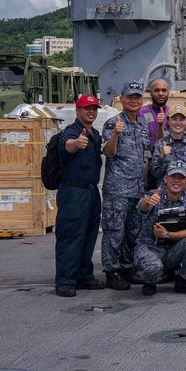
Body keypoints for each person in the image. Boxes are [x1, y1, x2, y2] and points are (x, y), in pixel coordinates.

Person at [54, 94, 106, 297]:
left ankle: (84, 275)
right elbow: (68, 145)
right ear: (77, 110)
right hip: (74, 192)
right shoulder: (72, 131)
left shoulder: (95, 133)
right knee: (70, 235)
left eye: (94, 108)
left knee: (88, 235)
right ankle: (65, 279)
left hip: (92, 191)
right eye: (87, 108)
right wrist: (77, 143)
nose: (91, 112)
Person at [101, 81, 151, 290]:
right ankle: (112, 271)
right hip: (117, 189)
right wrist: (115, 135)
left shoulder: (142, 125)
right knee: (114, 231)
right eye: (129, 97)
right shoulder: (114, 123)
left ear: (142, 100)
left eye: (137, 97)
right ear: (121, 98)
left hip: (137, 189)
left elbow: (145, 156)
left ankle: (127, 266)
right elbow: (108, 152)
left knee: (133, 231)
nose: (133, 100)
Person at [133, 161, 186, 296]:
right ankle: (150, 281)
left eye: (181, 178)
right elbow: (142, 207)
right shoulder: (155, 195)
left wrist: (168, 234)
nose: (176, 181)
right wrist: (148, 202)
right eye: (173, 177)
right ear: (166, 178)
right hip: (149, 247)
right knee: (154, 267)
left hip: (172, 250)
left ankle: (184, 280)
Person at [148, 104, 186, 194]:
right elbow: (155, 174)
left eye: (182, 119)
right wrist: (162, 157)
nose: (178, 123)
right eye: (174, 119)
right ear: (167, 121)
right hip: (164, 195)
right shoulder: (160, 144)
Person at [138, 78, 170, 148]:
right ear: (150, 93)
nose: (160, 93)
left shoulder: (173, 113)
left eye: (164, 90)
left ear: (168, 93)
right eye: (157, 90)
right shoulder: (140, 112)